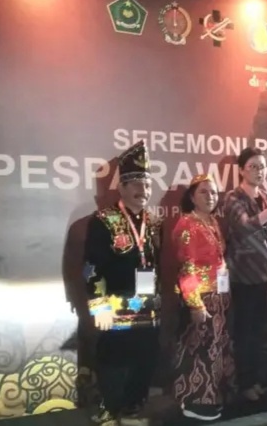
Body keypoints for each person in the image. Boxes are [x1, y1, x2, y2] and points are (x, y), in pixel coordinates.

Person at [82, 140, 162, 426]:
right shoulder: (104, 220)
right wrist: (99, 305)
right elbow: (91, 267)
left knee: (145, 359)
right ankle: (108, 409)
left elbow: (153, 263)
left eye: (148, 185)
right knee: (114, 360)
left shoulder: (152, 221)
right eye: (138, 184)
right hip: (115, 305)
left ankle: (133, 410)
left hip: (147, 305)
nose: (144, 191)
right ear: (122, 187)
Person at [222, 147, 267, 402]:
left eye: (262, 167)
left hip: (266, 275)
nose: (259, 171)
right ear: (241, 170)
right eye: (253, 166)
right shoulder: (233, 198)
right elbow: (244, 227)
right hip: (242, 275)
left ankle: (257, 379)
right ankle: (244, 382)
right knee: (244, 332)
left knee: (260, 331)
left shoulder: (266, 198)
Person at [172, 174, 234, 422]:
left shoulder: (212, 221)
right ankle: (195, 401)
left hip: (219, 297)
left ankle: (212, 396)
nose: (210, 197)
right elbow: (186, 268)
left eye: (214, 192)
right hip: (200, 299)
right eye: (204, 192)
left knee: (215, 349)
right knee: (199, 350)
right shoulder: (187, 225)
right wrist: (195, 304)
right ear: (192, 196)